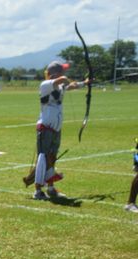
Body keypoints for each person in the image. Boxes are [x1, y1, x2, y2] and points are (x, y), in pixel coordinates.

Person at [28, 61, 90, 200]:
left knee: (52, 158)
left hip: (55, 128)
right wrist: (64, 79)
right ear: (56, 73)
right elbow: (62, 81)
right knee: (43, 158)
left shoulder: (59, 85)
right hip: (45, 127)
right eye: (62, 71)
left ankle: (50, 188)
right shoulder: (45, 85)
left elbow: (70, 85)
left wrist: (85, 83)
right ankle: (38, 190)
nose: (64, 74)